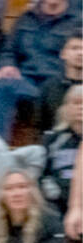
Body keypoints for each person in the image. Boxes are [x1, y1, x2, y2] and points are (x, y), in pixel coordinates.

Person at [0, 0, 80, 140]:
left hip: (59, 83)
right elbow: (9, 50)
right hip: (27, 81)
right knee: (1, 84)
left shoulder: (78, 22)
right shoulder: (25, 19)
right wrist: (7, 65)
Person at [40, 84, 81, 217]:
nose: (81, 107)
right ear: (66, 108)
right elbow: (42, 174)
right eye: (76, 103)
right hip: (56, 204)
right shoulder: (52, 140)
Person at [39, 34, 83, 133]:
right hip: (57, 143)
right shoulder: (49, 87)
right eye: (74, 48)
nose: (80, 53)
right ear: (63, 53)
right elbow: (40, 127)